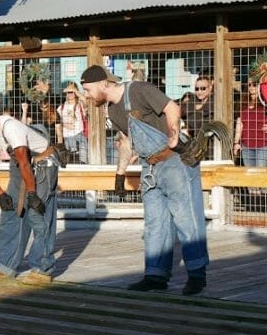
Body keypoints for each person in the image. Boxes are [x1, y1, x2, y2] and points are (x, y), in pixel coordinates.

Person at [80, 64, 209, 295]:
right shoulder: (112, 111)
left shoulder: (138, 90)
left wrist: (172, 137)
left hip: (175, 162)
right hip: (149, 168)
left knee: (186, 219)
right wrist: (119, 174)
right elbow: (127, 142)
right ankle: (155, 276)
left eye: (88, 90)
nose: (87, 96)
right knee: (154, 223)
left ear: (103, 84)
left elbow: (172, 108)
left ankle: (197, 276)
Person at [0, 101, 59, 285]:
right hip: (20, 162)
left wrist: (32, 195)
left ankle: (42, 269)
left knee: (37, 213)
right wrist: (1, 194)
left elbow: (26, 162)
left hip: (42, 162)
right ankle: (5, 265)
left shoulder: (11, 127)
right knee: (11, 213)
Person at [233, 80, 267, 208]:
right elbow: (240, 124)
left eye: (254, 84)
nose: (251, 87)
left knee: (262, 174)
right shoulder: (243, 103)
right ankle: (254, 208)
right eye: (248, 84)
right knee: (250, 177)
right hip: (247, 144)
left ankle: (264, 208)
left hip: (265, 143)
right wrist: (236, 142)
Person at [57, 81, 89, 164]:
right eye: (68, 92)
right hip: (67, 137)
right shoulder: (62, 107)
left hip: (80, 137)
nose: (69, 94)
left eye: (72, 92)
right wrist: (65, 124)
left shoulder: (80, 104)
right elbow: (57, 122)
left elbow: (86, 101)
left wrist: (75, 90)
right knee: (70, 163)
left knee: (82, 163)